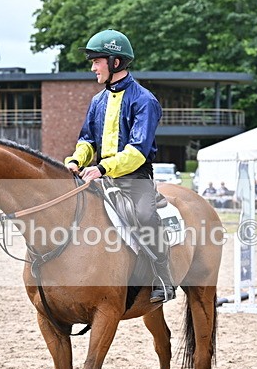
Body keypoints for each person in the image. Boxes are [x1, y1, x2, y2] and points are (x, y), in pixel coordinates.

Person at [64, 29, 174, 303]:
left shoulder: (145, 100)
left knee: (145, 216)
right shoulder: (97, 101)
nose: (93, 68)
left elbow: (137, 151)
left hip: (135, 179)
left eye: (96, 62)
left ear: (115, 62)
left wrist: (102, 168)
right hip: (101, 177)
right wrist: (76, 159)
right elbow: (87, 140)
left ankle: (163, 277)